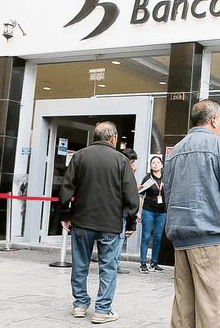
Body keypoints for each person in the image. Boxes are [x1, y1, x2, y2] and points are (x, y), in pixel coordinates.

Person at [164, 99, 220, 328]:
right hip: (211, 238)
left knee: (184, 309)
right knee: (213, 309)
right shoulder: (219, 146)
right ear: (213, 120)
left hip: (181, 239)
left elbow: (168, 194)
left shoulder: (175, 150)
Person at [59, 121, 139, 324]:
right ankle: (102, 310)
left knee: (80, 264)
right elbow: (130, 196)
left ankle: (79, 304)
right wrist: (130, 223)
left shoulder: (79, 156)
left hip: (82, 221)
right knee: (108, 267)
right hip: (110, 224)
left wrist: (65, 214)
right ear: (113, 138)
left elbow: (66, 188)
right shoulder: (121, 160)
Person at [137, 155, 167, 274]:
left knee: (157, 238)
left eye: (157, 162)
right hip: (148, 210)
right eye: (153, 163)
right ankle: (143, 263)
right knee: (145, 237)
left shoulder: (166, 179)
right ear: (150, 166)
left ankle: (154, 263)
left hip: (162, 212)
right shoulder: (148, 179)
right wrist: (138, 212)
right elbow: (140, 195)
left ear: (161, 165)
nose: (155, 164)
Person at [116, 148, 138, 275]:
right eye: (132, 162)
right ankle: (114, 264)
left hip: (121, 212)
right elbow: (129, 195)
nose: (133, 166)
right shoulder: (122, 174)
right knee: (119, 239)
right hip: (120, 213)